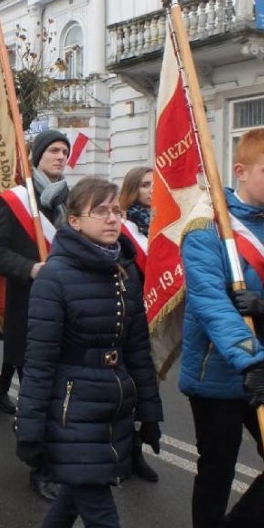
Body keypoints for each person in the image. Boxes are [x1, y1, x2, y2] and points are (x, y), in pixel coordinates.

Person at [179, 128, 264, 528]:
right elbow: (209, 303)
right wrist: (248, 359)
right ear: (241, 171)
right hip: (217, 371)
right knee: (217, 471)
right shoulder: (206, 226)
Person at [16, 176, 163, 528]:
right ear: (75, 221)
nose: (112, 218)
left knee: (73, 495)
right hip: (72, 411)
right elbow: (39, 362)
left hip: (114, 405)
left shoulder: (124, 272)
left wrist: (149, 412)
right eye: (100, 211)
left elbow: (138, 351)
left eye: (116, 210)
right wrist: (30, 428)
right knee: (102, 519)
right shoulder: (54, 277)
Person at [0, 128, 70, 502]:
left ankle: (61, 459)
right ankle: (40, 468)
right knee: (38, 396)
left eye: (65, 151)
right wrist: (30, 268)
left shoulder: (69, 200)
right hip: (30, 310)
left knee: (62, 394)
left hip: (66, 312)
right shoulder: (17, 202)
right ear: (36, 156)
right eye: (53, 150)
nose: (60, 156)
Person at [118, 166, 159, 484]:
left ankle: (137, 450)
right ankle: (126, 451)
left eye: (155, 184)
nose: (151, 189)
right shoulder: (122, 227)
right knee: (127, 387)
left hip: (153, 314)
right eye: (145, 185)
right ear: (133, 189)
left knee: (147, 385)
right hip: (128, 313)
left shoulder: (163, 224)